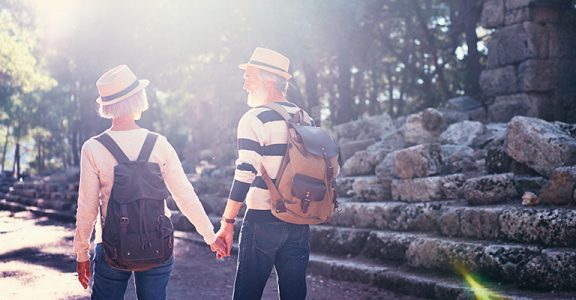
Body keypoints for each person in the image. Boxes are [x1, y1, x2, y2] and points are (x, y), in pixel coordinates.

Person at [73, 65, 226, 300]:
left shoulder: (93, 148)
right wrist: (211, 237)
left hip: (112, 246)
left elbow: (87, 206)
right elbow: (184, 195)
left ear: (106, 106)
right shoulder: (159, 144)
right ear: (138, 99)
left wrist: (82, 253)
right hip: (157, 242)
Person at [216, 48, 313, 300]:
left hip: (262, 219)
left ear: (269, 81)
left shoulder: (255, 117)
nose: (244, 83)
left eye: (249, 76)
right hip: (299, 218)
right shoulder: (305, 118)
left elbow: (246, 170)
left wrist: (227, 222)